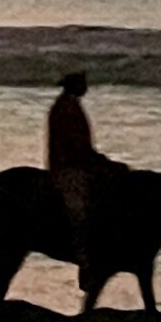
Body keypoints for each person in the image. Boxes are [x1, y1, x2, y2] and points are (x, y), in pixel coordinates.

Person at [46, 69, 106, 255]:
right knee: (77, 202)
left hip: (77, 161)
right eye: (83, 84)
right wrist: (96, 159)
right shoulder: (66, 107)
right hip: (69, 165)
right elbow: (75, 143)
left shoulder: (69, 105)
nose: (86, 88)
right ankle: (81, 243)